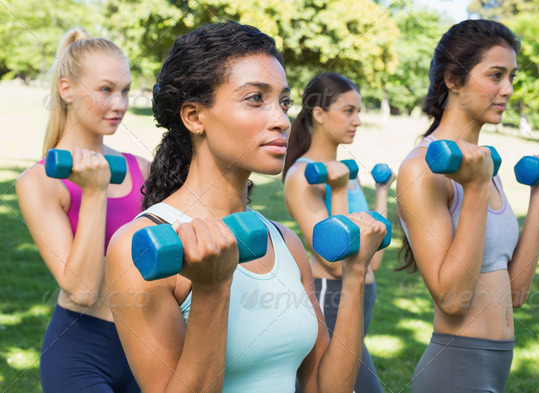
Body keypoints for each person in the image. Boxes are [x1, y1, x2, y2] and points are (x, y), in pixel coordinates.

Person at [105, 21, 387, 393]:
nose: (281, 121)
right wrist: (211, 289)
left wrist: (354, 273)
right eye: (256, 98)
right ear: (194, 117)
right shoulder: (139, 246)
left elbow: (324, 388)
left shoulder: (285, 241)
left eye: (284, 102)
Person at [396, 19, 539, 393]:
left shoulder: (483, 166)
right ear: (452, 80)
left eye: (511, 77)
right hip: (456, 366)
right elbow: (452, 301)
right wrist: (474, 190)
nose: (507, 89)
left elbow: (517, 292)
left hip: (496, 361)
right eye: (495, 75)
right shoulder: (421, 168)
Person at [16, 27, 148, 392]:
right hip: (80, 352)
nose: (120, 104)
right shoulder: (38, 181)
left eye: (124, 90)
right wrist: (94, 192)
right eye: (106, 90)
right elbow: (82, 290)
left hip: (148, 343)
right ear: (66, 89)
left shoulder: (143, 169)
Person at [282, 72, 395, 393]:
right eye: (348, 111)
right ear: (318, 113)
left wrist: (382, 193)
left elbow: (372, 261)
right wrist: (340, 189)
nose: (358, 120)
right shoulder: (303, 176)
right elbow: (337, 260)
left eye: (359, 111)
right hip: (331, 296)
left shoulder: (346, 174)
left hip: (360, 293)